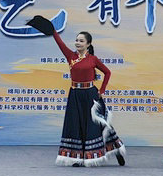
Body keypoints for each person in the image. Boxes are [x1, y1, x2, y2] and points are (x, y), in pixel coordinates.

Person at [27, 16, 125, 167]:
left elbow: (107, 72)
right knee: (76, 124)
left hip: (91, 95)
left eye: (81, 41)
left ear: (88, 44)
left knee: (99, 124)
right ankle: (78, 157)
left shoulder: (93, 59)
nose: (77, 43)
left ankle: (116, 151)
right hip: (75, 95)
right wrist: (53, 31)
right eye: (76, 40)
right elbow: (59, 43)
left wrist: (102, 90)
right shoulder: (70, 56)